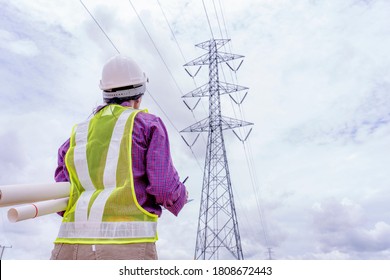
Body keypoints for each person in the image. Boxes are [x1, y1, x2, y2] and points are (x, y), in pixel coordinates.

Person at [50, 55, 188, 260]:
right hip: (125, 250)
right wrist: (180, 195)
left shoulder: (76, 136)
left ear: (104, 94)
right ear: (139, 97)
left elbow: (63, 196)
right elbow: (163, 188)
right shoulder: (148, 126)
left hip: (68, 248)